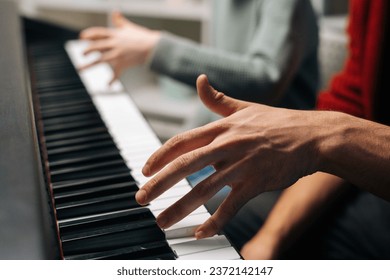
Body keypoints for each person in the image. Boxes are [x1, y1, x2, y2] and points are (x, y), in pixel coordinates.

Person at [135, 0, 390, 260]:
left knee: (188, 223)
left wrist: (322, 134)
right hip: (348, 165)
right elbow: (353, 106)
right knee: (169, 214)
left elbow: (269, 81)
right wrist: (269, 238)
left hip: (340, 181)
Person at [79, 0, 319, 109]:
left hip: (283, 159)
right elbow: (219, 92)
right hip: (235, 140)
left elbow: (266, 81)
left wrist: (154, 48)